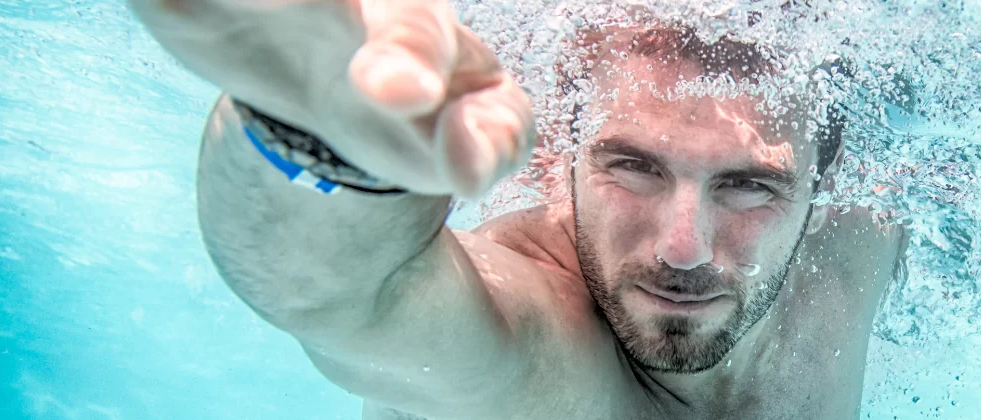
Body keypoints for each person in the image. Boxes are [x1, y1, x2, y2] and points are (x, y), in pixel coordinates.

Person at [130, 0, 908, 418]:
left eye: (748, 186)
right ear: (559, 152)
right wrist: (313, 124)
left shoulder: (863, 228)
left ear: (825, 187)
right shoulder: (536, 347)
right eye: (632, 167)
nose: (683, 247)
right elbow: (339, 297)